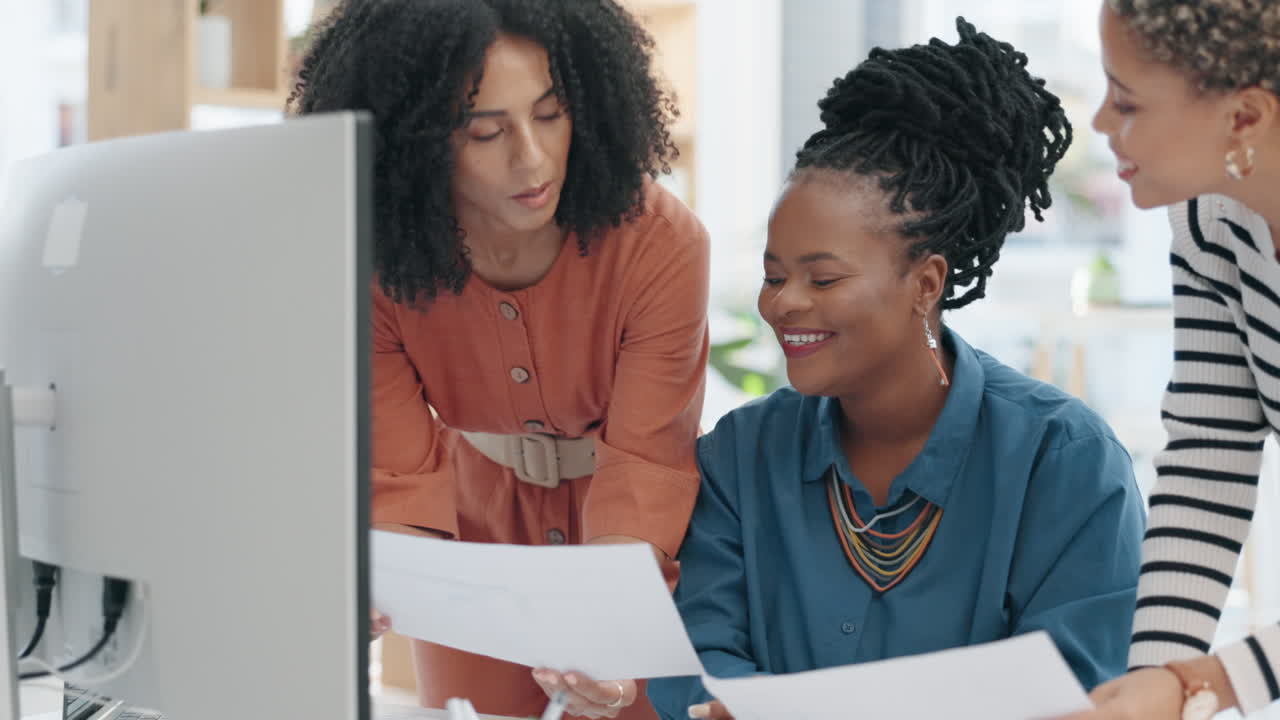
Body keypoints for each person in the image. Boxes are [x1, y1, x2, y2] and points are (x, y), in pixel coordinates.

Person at [638, 18, 1147, 720]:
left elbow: (1079, 688)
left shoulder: (1064, 463)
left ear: (926, 284)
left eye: (822, 280)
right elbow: (695, 663)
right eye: (773, 275)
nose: (783, 304)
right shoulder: (738, 457)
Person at [289, 1, 710, 718]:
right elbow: (398, 474)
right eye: (486, 131)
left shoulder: (661, 245)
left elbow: (647, 463)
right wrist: (381, 580)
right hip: (470, 547)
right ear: (412, 140)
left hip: (632, 542)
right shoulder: (375, 265)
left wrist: (606, 632)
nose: (532, 158)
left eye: (551, 114)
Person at [1074, 1, 1280, 718]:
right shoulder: (1210, 213)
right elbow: (1210, 456)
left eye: (1125, 101)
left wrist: (1206, 685)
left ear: (1244, 118)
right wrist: (1151, 683)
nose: (1100, 123)